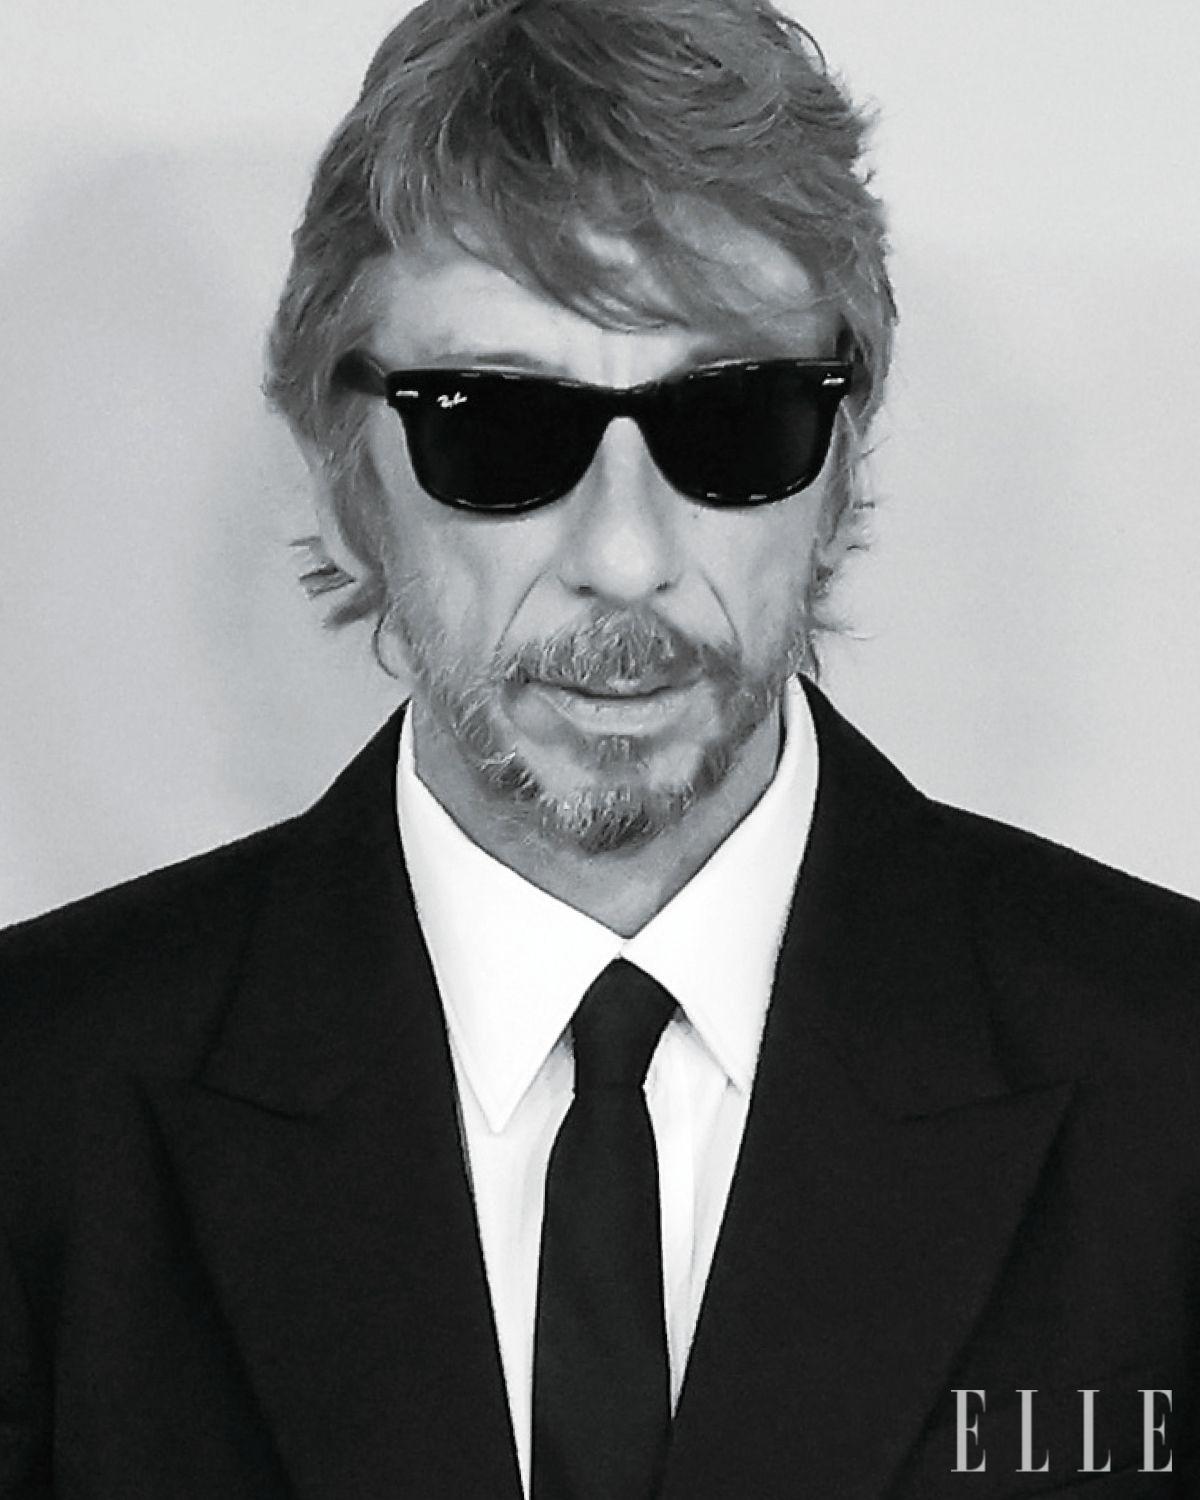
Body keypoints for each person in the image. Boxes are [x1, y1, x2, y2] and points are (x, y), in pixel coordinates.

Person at [1, 0, 1198, 1495]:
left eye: (738, 424)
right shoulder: (36, 1107)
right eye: (497, 431)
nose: (626, 559)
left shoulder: (1170, 1081)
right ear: (340, 484)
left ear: (840, 466)